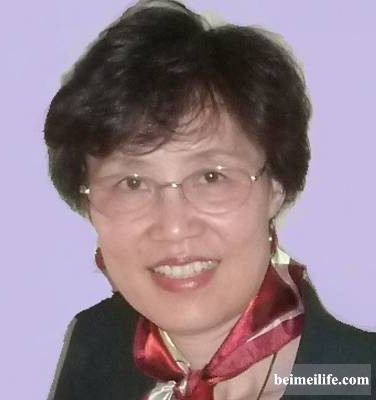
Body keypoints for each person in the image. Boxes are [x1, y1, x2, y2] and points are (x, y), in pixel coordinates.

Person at [44, 1, 376, 399]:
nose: (173, 227)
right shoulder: (98, 344)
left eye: (211, 177)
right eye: (132, 183)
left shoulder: (359, 379)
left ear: (275, 187)